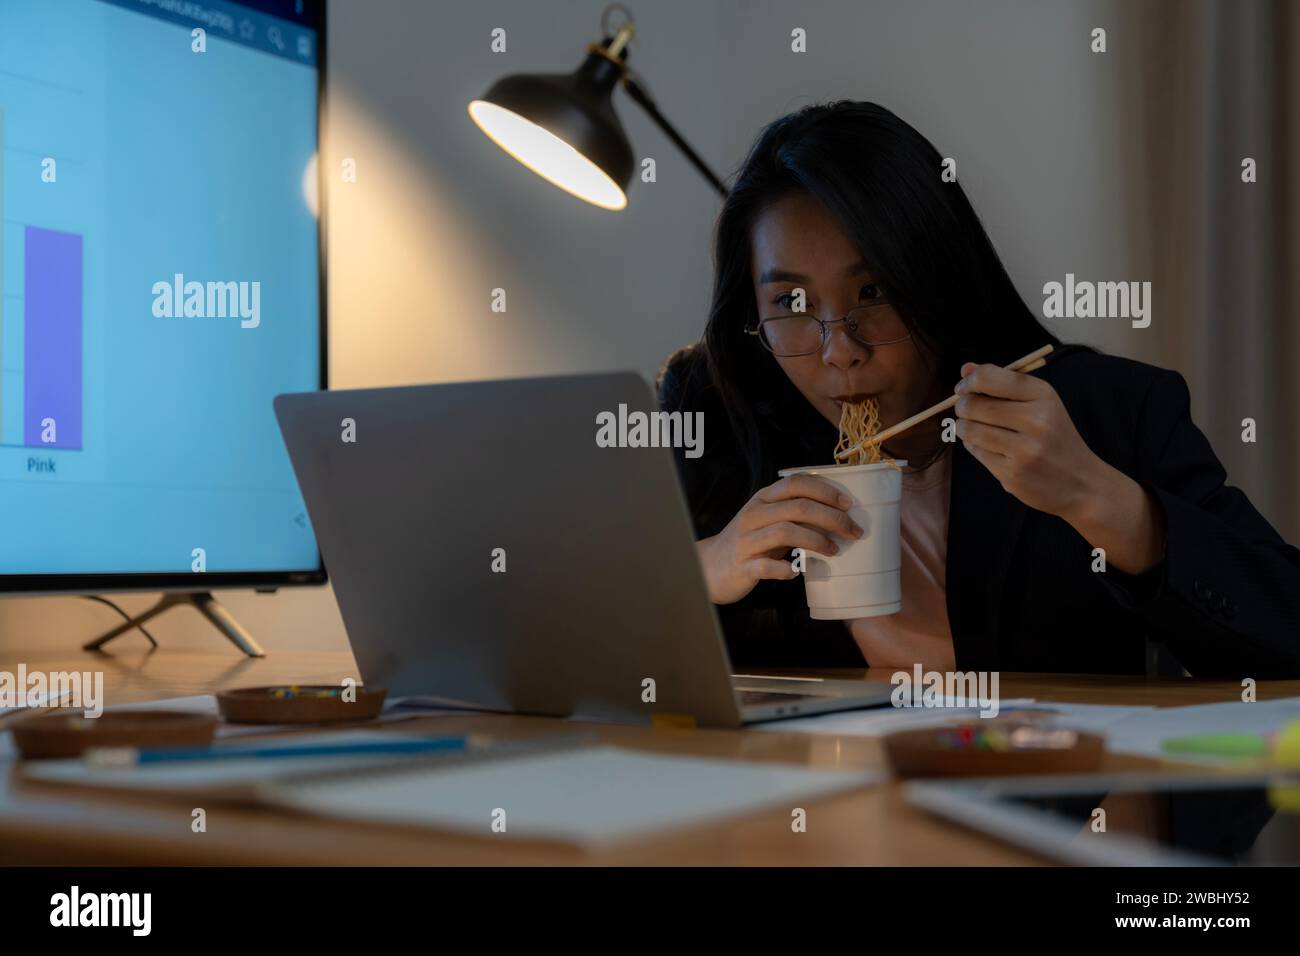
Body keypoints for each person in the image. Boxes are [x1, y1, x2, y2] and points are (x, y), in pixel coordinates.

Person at [658, 100, 1300, 677]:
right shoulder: (717, 415)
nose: (840, 352)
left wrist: (1099, 498)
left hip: (1058, 801)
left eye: (873, 292)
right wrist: (703, 568)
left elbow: (1285, 633)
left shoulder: (1101, 413)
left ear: (935, 275)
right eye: (791, 302)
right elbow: (583, 647)